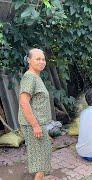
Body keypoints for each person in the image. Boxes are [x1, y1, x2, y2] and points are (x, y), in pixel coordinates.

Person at [18, 48, 52, 180]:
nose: (42, 62)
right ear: (29, 60)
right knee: (40, 162)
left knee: (43, 157)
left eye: (43, 59)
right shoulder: (29, 77)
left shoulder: (36, 76)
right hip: (33, 125)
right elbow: (24, 102)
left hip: (38, 124)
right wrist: (35, 125)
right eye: (38, 59)